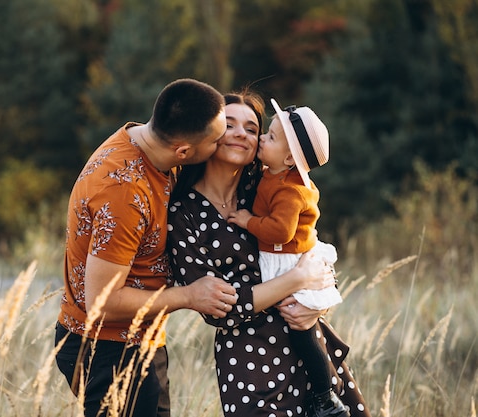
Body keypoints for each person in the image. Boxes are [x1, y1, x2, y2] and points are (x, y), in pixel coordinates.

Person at [167, 91, 371, 417]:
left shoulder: (264, 186)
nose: (242, 134)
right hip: (250, 360)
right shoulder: (182, 213)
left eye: (251, 128)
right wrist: (296, 279)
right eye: (228, 124)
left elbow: (309, 246)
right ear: (210, 133)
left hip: (308, 347)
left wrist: (315, 304)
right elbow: (218, 311)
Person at [55, 78, 239, 417]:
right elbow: (103, 302)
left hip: (133, 340)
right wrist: (189, 296)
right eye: (216, 140)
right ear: (183, 151)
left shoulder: (145, 140)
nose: (223, 142)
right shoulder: (124, 192)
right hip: (108, 350)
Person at [227, 98, 348, 416]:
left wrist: (246, 221)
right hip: (290, 264)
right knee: (300, 327)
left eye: (269, 136)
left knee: (303, 329)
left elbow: (280, 231)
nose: (262, 138)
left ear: (290, 159)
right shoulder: (270, 173)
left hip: (289, 260)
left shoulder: (290, 191)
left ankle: (325, 398)